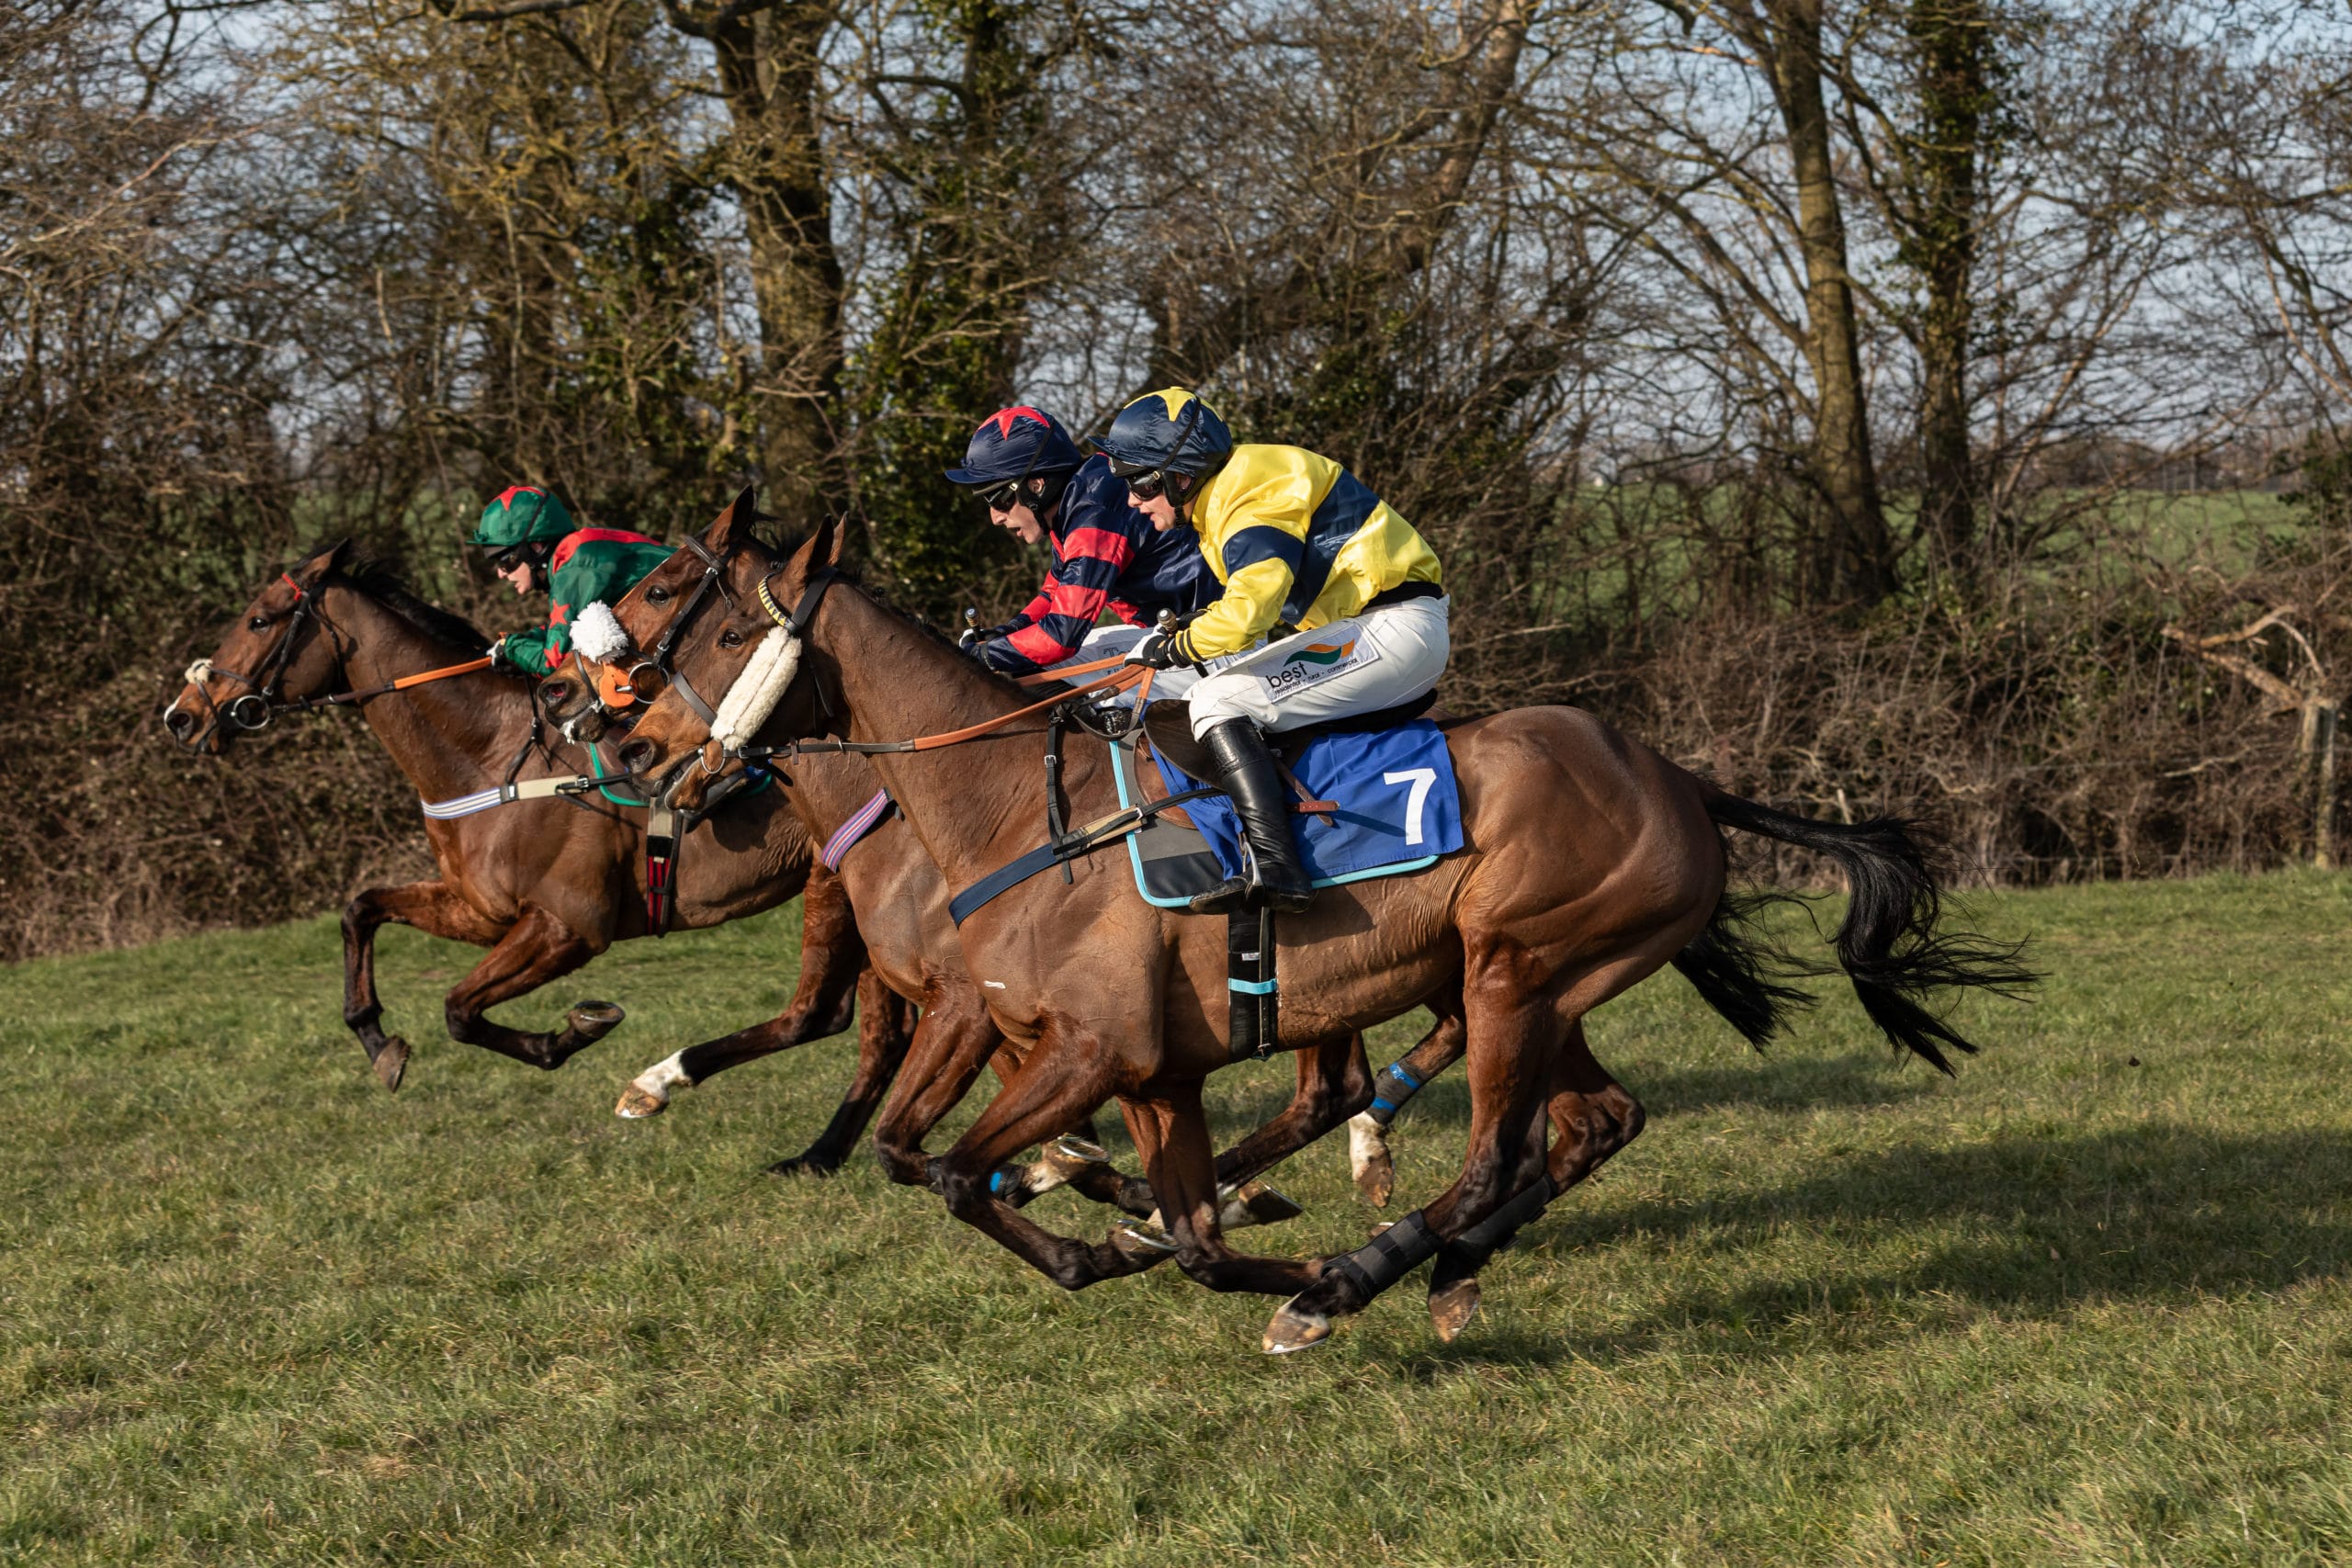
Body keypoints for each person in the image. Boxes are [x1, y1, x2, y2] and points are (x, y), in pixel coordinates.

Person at [1100, 388, 1449, 915]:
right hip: (1377, 626)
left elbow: (1249, 614)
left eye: (1140, 483)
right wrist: (1186, 633)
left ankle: (1275, 866)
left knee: (1217, 699)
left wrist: (1176, 647)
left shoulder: (1248, 489)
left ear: (1182, 476)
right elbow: (1247, 608)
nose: (1132, 500)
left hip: (1393, 628)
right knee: (1211, 693)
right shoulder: (1231, 492)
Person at [943, 406, 1216, 681]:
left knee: (1039, 671)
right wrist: (1010, 630)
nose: (995, 518)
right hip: (1179, 630)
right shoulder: (1080, 492)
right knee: (1029, 666)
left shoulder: (1092, 514)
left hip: (1208, 640)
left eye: (998, 499)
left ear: (1036, 486)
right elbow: (1056, 590)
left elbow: (1060, 637)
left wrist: (985, 656)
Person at [467, 484, 672, 676]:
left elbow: (557, 663)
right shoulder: (576, 551)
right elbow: (564, 631)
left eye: (505, 561)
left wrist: (510, 647)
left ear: (537, 546)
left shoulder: (574, 569)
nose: (501, 573)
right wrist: (522, 639)